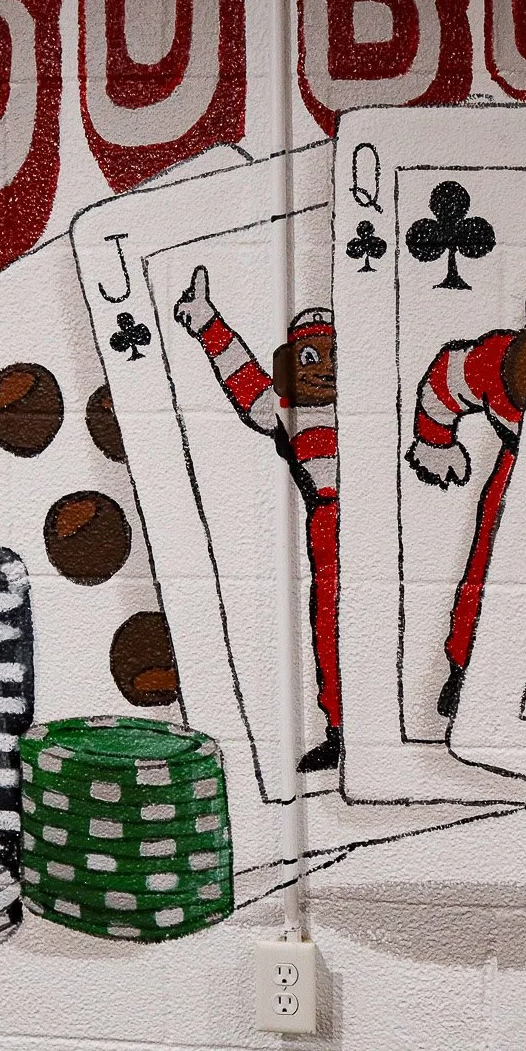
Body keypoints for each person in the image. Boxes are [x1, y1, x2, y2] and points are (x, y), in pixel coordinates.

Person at [173, 266, 343, 773]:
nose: (323, 368)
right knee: (329, 629)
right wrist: (207, 321)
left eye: (334, 355)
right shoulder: (288, 409)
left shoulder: (373, 402)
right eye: (310, 356)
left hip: (381, 528)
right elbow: (245, 381)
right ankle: (340, 730)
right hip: (328, 528)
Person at [405, 271, 526, 719]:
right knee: (485, 570)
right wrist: (436, 442)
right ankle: (463, 669)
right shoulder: (499, 358)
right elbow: (444, 379)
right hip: (514, 480)